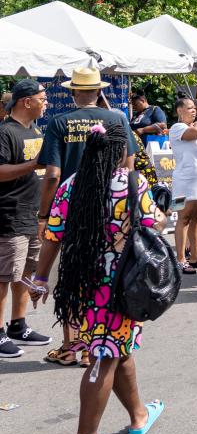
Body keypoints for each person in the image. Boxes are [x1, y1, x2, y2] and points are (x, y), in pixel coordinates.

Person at [31, 123, 166, 434]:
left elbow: (53, 235)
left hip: (82, 285)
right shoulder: (131, 184)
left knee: (119, 348)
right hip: (120, 287)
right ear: (121, 153)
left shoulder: (72, 185)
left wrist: (40, 278)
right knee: (105, 356)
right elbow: (154, 224)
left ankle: (138, 416)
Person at [36, 68, 138, 368]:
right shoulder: (117, 119)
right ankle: (94, 346)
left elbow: (52, 174)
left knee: (71, 277)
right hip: (112, 209)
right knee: (104, 277)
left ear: (72, 92)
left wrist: (44, 215)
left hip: (72, 210)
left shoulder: (59, 122)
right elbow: (128, 165)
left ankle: (71, 347)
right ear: (99, 91)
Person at [0, 79, 51, 358]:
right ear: (26, 101)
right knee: (4, 275)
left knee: (26, 272)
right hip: (9, 212)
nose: (47, 103)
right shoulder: (5, 132)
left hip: (33, 213)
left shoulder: (34, 130)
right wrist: (34, 164)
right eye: (43, 98)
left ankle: (18, 326)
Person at [168, 97, 197, 274]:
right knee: (183, 218)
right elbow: (194, 134)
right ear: (179, 110)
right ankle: (180, 258)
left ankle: (195, 256)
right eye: (189, 108)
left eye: (194, 108)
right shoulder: (178, 128)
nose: (193, 111)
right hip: (183, 183)